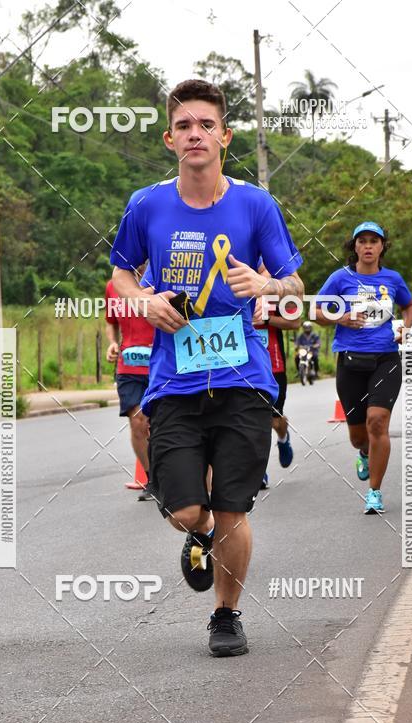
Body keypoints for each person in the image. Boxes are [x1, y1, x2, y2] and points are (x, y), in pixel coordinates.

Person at [110, 79, 303, 656]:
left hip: (244, 381)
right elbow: (121, 274)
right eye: (186, 126)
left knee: (234, 506)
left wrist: (266, 282)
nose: (197, 134)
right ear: (171, 139)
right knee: (187, 509)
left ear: (225, 136)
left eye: (207, 125)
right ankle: (200, 534)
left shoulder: (255, 204)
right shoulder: (147, 205)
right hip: (173, 383)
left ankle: (226, 614)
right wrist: (144, 300)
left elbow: (294, 284)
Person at [314, 222, 412, 514]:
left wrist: (406, 329)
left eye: (374, 241)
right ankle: (363, 451)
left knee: (377, 422)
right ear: (355, 247)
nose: (368, 246)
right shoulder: (339, 278)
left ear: (382, 246)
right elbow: (316, 310)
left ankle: (375, 491)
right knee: (359, 434)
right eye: (363, 241)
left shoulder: (393, 279)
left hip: (385, 358)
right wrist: (341, 317)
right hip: (350, 361)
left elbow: (410, 307)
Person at [105, 279, 156, 500]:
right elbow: (111, 321)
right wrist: (112, 343)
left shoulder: (163, 278)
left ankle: (172, 475)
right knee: (138, 421)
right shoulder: (114, 286)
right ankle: (152, 480)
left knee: (162, 424)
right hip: (129, 366)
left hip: (161, 365)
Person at [254, 263, 299, 487]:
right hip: (243, 365)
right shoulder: (231, 285)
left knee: (273, 419)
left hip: (273, 365)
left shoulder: (276, 289)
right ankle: (257, 471)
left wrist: (265, 319)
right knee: (252, 421)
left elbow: (295, 321)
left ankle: (283, 436)